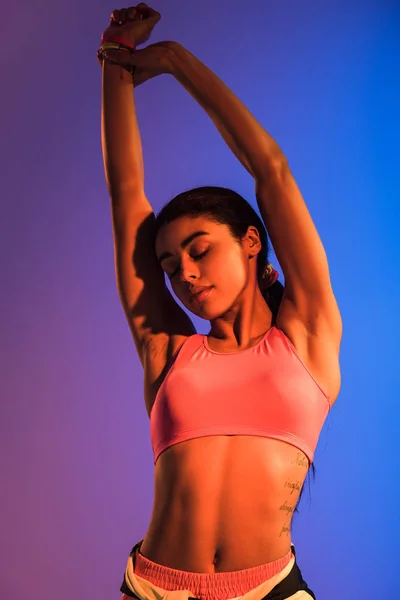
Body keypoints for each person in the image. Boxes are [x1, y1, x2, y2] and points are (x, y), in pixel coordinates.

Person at [98, 4, 343, 600]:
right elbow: (126, 194)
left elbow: (271, 169)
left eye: (200, 249)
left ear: (252, 243)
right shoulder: (167, 352)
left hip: (271, 591)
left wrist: (177, 62)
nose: (183, 272)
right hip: (154, 589)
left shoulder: (307, 336)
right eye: (168, 264)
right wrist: (114, 60)